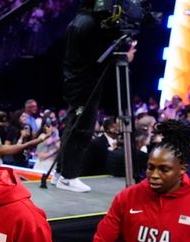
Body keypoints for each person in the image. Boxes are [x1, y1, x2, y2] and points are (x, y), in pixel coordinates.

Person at [57, 0, 135, 192]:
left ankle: (61, 173)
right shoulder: (91, 25)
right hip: (85, 85)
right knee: (81, 129)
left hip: (75, 82)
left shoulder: (78, 20)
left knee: (72, 127)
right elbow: (100, 58)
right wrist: (126, 55)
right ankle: (68, 176)